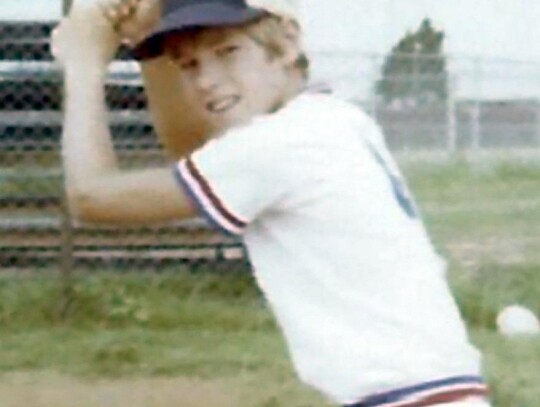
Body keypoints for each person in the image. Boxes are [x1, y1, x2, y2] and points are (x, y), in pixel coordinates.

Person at [51, 0, 492, 406]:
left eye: (228, 52)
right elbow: (195, 151)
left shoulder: (280, 144)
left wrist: (84, 65)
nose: (206, 80)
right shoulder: (331, 117)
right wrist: (147, 48)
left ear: (287, 43)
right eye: (187, 64)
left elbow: (91, 197)